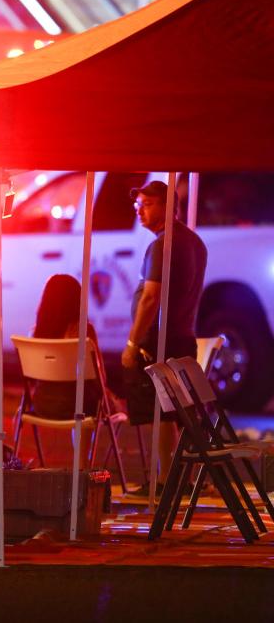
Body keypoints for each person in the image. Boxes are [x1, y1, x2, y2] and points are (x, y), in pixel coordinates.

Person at [119, 180, 207, 490]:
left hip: (161, 341)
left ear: (169, 207)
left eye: (147, 204)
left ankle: (168, 480)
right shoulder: (194, 242)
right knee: (177, 413)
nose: (139, 210)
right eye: (137, 205)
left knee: (161, 412)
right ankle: (178, 478)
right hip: (184, 337)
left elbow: (150, 298)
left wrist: (132, 343)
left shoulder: (163, 245)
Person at [29, 274, 103, 465]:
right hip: (77, 409)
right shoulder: (84, 331)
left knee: (80, 397)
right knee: (87, 397)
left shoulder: (36, 334)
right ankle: (82, 465)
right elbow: (99, 375)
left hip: (42, 407)